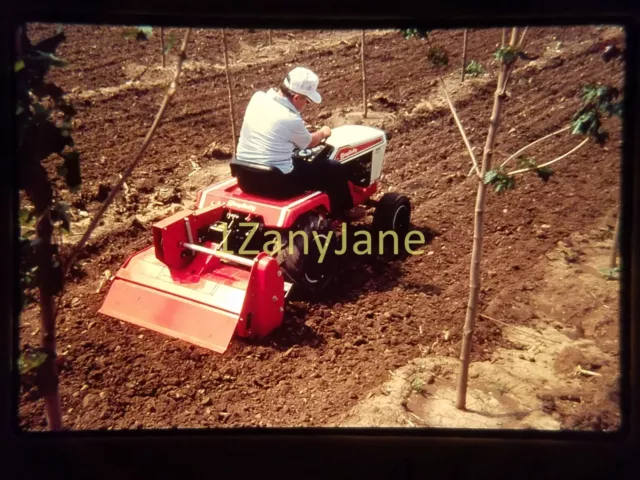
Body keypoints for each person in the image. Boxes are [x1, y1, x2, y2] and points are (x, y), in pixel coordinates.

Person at [233, 66, 365, 221]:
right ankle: (344, 210)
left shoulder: (258, 98)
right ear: (296, 97)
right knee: (333, 168)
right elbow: (309, 142)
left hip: (245, 177)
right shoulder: (291, 119)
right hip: (277, 185)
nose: (306, 105)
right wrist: (323, 132)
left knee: (298, 161)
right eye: (307, 101)